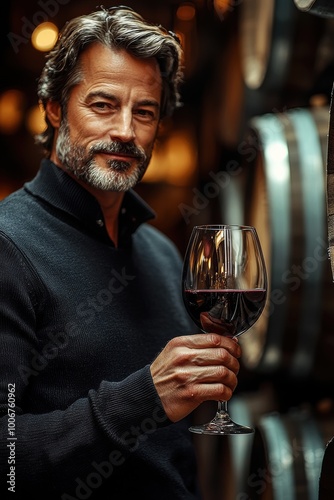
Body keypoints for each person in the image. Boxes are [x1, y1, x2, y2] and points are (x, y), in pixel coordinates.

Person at [0, 5, 241, 499]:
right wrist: (145, 397)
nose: (126, 132)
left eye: (145, 112)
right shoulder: (9, 247)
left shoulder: (162, 254)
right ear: (53, 107)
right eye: (103, 105)